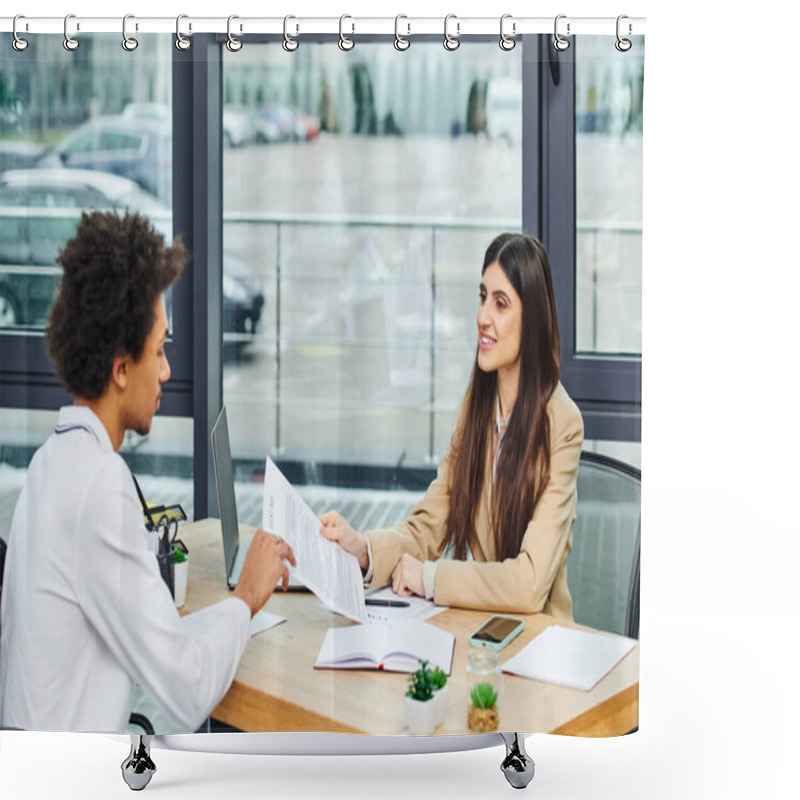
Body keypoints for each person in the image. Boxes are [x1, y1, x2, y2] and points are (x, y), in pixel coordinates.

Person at [0, 211, 295, 733]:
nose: (166, 371)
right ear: (120, 368)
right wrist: (246, 598)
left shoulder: (51, 463)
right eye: (158, 350)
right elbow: (187, 692)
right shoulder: (97, 486)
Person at [320, 233, 583, 619]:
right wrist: (363, 549)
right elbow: (430, 526)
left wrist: (430, 577)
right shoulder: (476, 406)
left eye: (501, 303)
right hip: (479, 630)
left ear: (533, 320)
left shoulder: (563, 424)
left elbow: (529, 584)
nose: (483, 317)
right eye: (482, 297)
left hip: (538, 644)